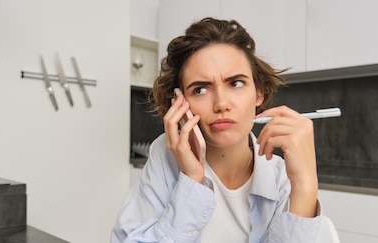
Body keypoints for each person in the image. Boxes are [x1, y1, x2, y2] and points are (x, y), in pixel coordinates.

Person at [112, 17, 321, 243]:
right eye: (200, 89)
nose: (221, 104)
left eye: (236, 83)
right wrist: (191, 180)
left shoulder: (281, 178)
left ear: (258, 93)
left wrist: (305, 184)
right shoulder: (165, 155)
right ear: (180, 102)